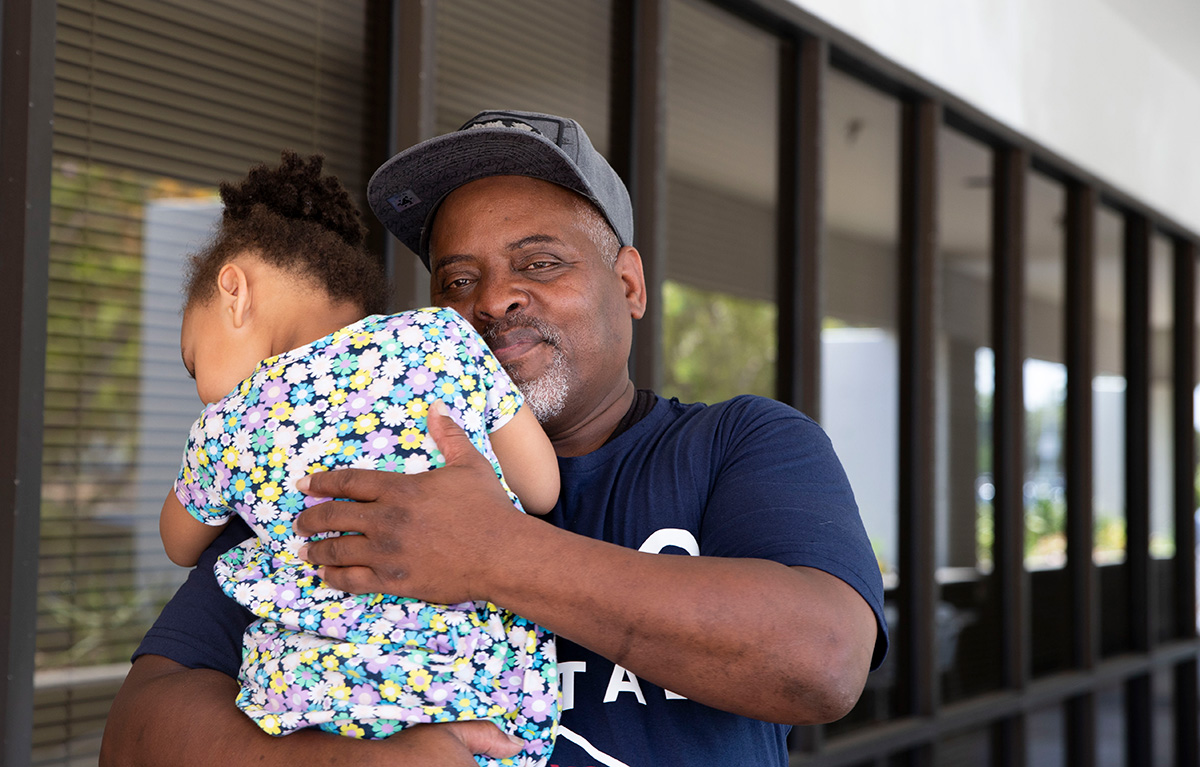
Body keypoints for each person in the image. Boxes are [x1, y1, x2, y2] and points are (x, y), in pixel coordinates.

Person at [101, 110, 888, 767]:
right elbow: (137, 729)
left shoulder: (737, 443)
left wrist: (494, 553)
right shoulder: (331, 467)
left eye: (540, 262)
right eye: (458, 280)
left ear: (629, 283)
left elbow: (822, 662)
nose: (496, 299)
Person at [155, 150, 560, 765]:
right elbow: (541, 488)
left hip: (309, 713)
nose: (200, 386)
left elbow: (179, 543)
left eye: (192, 360)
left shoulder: (226, 424)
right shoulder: (441, 338)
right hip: (487, 704)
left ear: (233, 292)